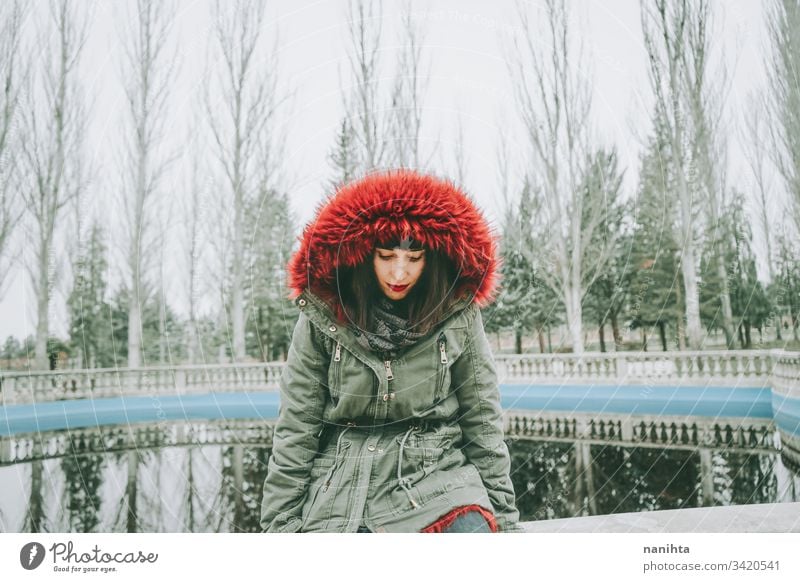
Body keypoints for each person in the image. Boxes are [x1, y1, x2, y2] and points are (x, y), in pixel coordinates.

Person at [259, 169, 524, 533]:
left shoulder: (458, 316)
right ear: (365, 255)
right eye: (386, 256)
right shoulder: (323, 318)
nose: (399, 273)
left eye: (413, 259)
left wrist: (506, 524)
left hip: (435, 478)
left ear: (430, 259)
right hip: (343, 483)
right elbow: (297, 426)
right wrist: (279, 525)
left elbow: (482, 421)